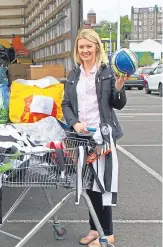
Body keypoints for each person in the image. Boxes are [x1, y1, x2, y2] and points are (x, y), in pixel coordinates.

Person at [62, 29, 127, 247]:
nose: (85, 51)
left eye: (89, 46)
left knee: (103, 185)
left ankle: (107, 234)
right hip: (82, 138)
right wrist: (74, 123)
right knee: (90, 186)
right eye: (81, 47)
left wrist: (118, 89)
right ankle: (94, 229)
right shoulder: (74, 74)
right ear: (77, 50)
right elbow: (66, 105)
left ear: (97, 47)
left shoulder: (106, 72)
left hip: (102, 137)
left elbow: (117, 103)